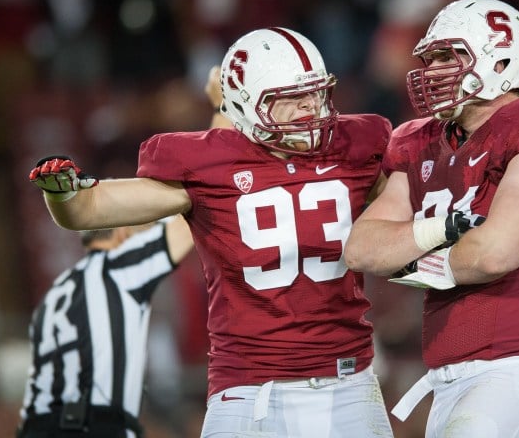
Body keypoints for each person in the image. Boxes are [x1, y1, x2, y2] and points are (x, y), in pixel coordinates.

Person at [28, 27, 395, 438]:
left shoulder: (358, 145)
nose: (310, 109)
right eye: (289, 99)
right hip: (248, 388)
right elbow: (87, 209)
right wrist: (63, 196)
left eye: (314, 93)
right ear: (245, 106)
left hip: (348, 382)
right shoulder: (210, 162)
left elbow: (406, 207)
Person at [344, 0, 519, 437]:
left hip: (515, 370)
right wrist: (439, 231)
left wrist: (415, 262)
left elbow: (494, 253)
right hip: (448, 381)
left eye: (450, 56)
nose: (435, 71)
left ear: (501, 59)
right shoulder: (420, 140)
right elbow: (362, 248)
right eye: (433, 59)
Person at [16, 217, 194, 438]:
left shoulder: (54, 292)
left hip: (36, 429)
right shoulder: (119, 268)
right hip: (95, 426)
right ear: (122, 231)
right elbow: (190, 224)